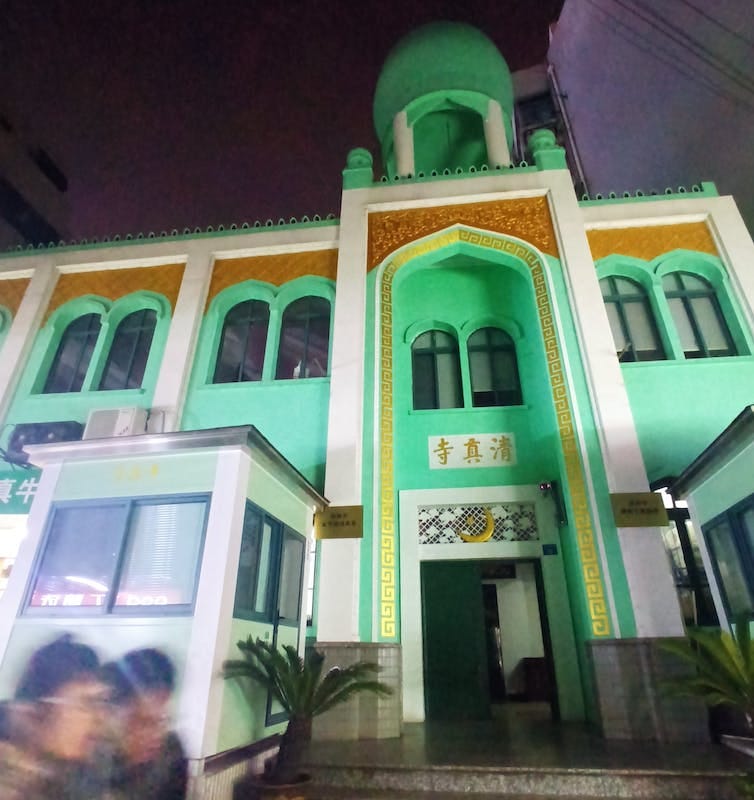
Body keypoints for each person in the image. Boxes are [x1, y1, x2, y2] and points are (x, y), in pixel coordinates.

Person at [0, 633, 110, 800]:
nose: (100, 718)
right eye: (87, 703)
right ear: (38, 708)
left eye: (102, 704)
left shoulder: (74, 773)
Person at [101, 647, 187, 800]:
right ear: (110, 712)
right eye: (142, 722)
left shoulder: (170, 753)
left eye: (162, 721)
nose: (156, 736)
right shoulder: (87, 758)